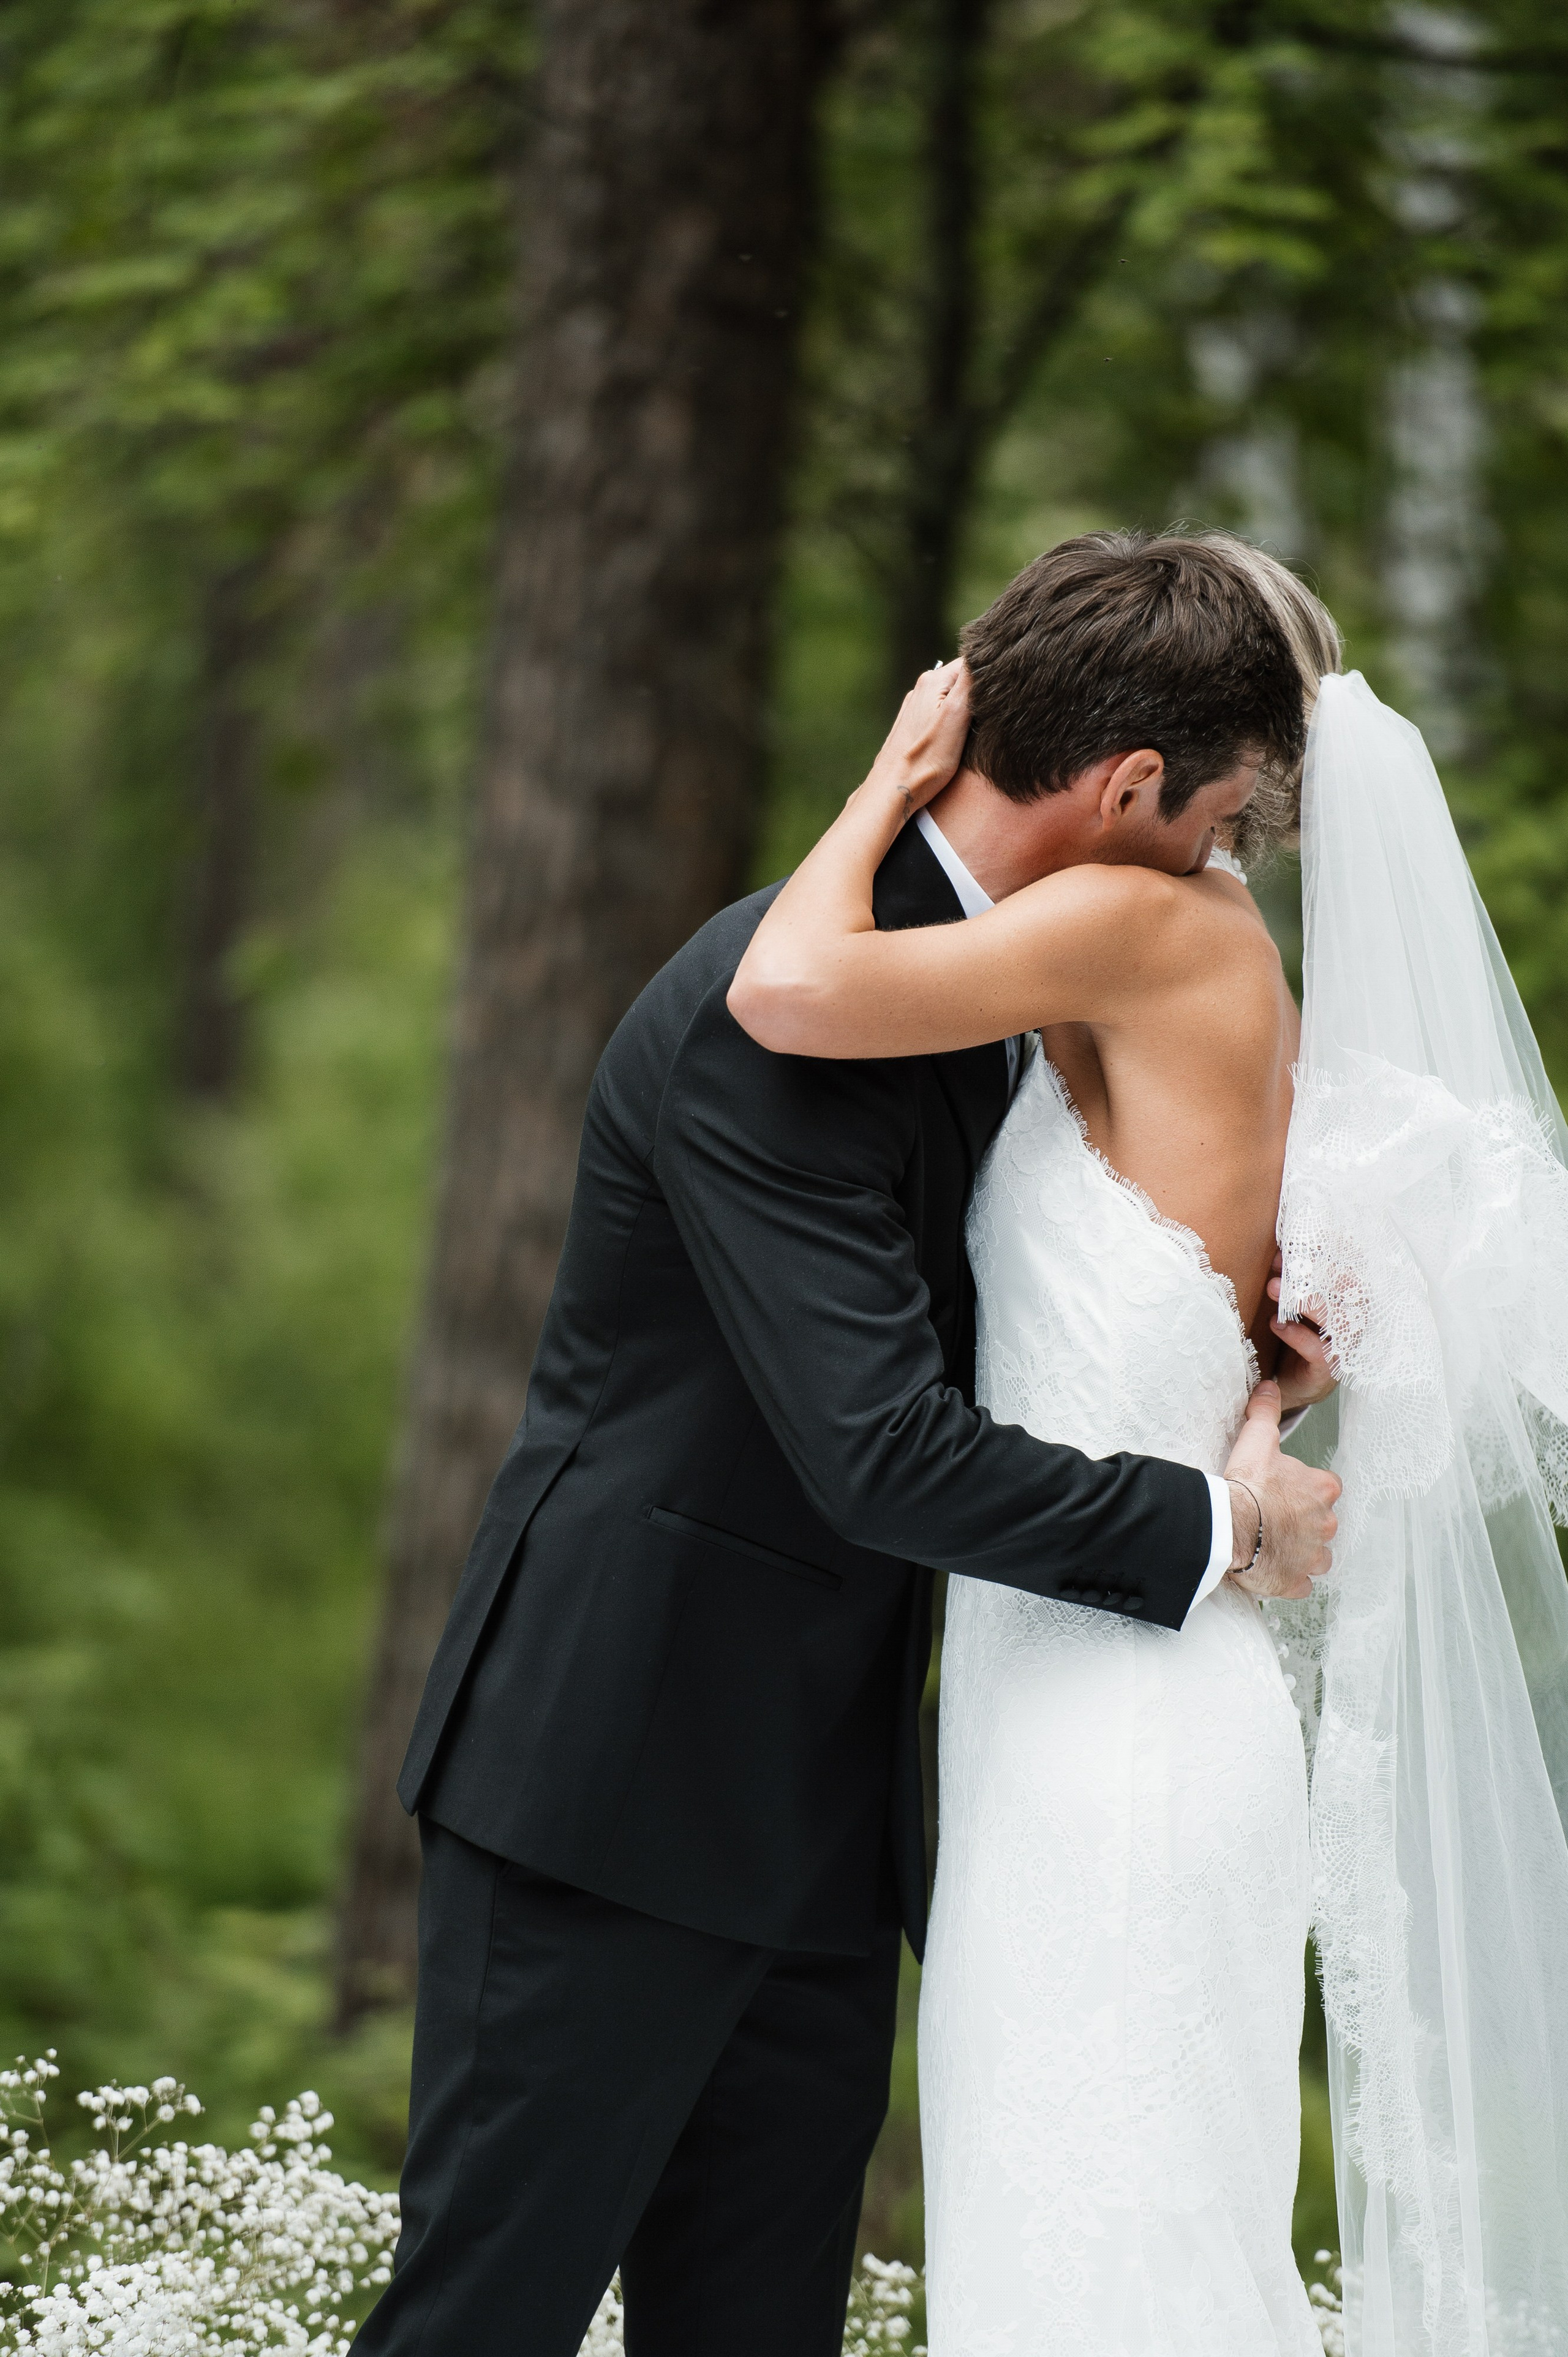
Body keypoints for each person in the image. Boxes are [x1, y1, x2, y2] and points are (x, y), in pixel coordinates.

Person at [356, 533, 1339, 2357]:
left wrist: (1246, 1343)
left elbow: (1076, 1291)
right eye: (1217, 820)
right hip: (616, 1783)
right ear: (1128, 787)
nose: (1225, 865)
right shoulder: (784, 1008)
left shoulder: (1019, 985)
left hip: (826, 1817)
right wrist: (1216, 1523)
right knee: (482, 2323)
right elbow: (881, 1450)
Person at [731, 535, 1568, 2351]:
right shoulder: (1209, 955)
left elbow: (789, 993)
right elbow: (1237, 1313)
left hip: (1109, 1724)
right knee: (1115, 2247)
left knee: (1104, 2261)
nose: (1231, 846)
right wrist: (1261, 1408)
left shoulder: (1137, 925)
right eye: (1232, 806)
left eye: (1245, 814)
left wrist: (888, 783)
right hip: (1113, 1687)